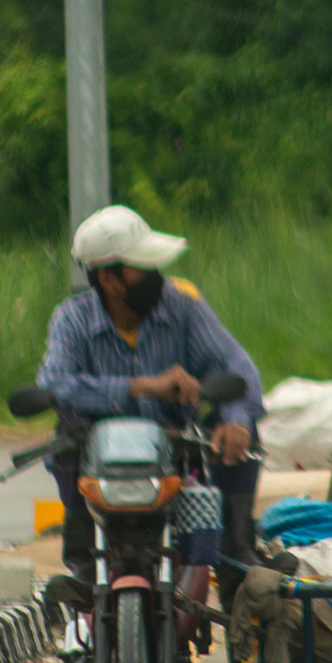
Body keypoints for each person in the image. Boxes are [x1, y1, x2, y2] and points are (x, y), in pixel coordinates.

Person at [36, 206, 265, 615]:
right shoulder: (71, 319)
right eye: (144, 268)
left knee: (242, 429)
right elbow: (55, 383)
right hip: (99, 465)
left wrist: (236, 419)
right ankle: (84, 569)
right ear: (108, 279)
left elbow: (238, 368)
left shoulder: (183, 308)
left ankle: (236, 562)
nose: (157, 275)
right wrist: (144, 386)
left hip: (173, 457)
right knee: (65, 435)